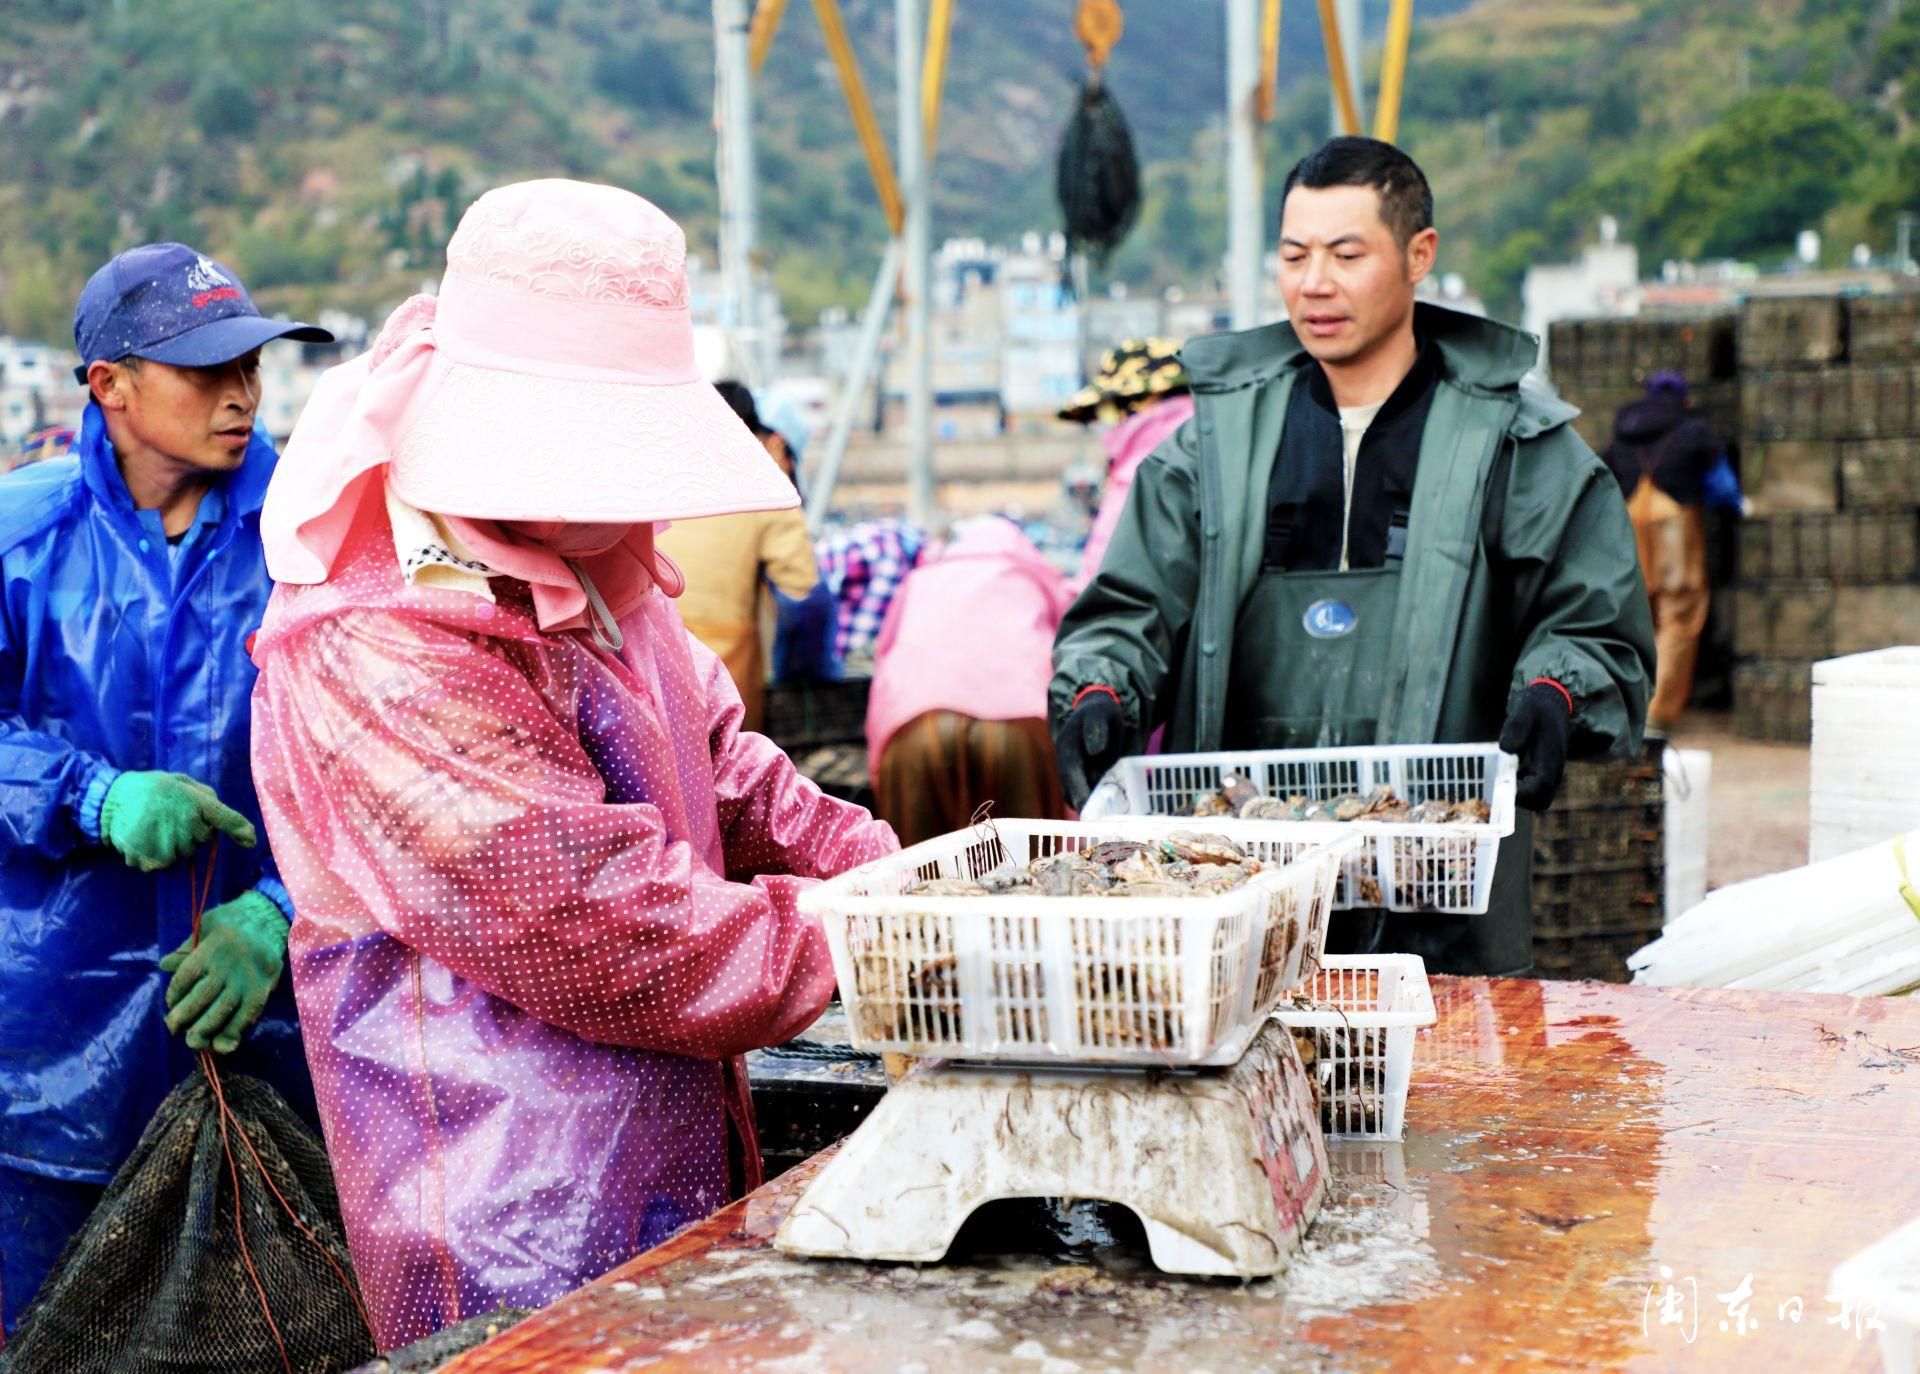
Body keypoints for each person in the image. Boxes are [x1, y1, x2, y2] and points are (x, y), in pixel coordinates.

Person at [249, 180, 898, 1349]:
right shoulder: (380, 635)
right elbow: (591, 923)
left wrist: (888, 866)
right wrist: (867, 935)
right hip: (505, 1207)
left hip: (676, 1140)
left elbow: (719, 763)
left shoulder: (596, 565)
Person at [1051, 138, 1655, 977]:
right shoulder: (1209, 450)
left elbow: (1593, 624)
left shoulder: (1520, 447)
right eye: (1294, 255)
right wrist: (1100, 689)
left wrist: (1559, 693)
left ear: (1419, 255)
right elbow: (1130, 607)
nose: (1314, 283)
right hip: (1237, 899)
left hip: (1440, 900)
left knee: (1445, 1063)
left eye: (1346, 254)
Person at [0, 243, 331, 1333]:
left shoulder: (313, 543)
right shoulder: (22, 537)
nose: (242, 394)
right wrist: (90, 797)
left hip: (273, 1054)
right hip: (49, 1061)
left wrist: (283, 907)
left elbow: (383, 775)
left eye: (252, 365)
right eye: (206, 369)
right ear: (111, 384)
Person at [867, 516, 1072, 845]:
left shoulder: (920, 581)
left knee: (919, 867)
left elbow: (886, 658)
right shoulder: (1036, 579)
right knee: (1031, 864)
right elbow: (1070, 653)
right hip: (1018, 726)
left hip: (916, 725)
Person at [656, 380, 820, 733]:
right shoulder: (764, 490)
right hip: (724, 687)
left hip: (646, 676)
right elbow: (803, 597)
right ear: (773, 442)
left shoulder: (656, 478)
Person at [1601, 370, 1744, 735]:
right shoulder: (1694, 431)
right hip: (1675, 533)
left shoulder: (1622, 434)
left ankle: (1629, 707)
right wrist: (1739, 506)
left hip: (1628, 531)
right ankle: (1657, 712)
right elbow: (1722, 488)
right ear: (1684, 399)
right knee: (1679, 613)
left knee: (1635, 618)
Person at [1057, 337, 1195, 593]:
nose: (1107, 425)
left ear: (1144, 401)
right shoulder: (1218, 444)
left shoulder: (1143, 471)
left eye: (1108, 411)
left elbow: (1102, 578)